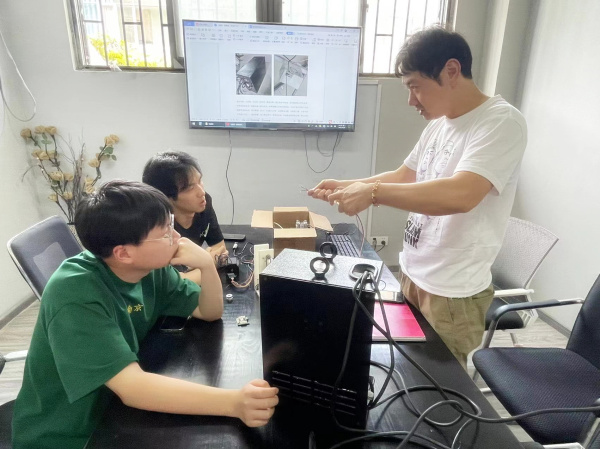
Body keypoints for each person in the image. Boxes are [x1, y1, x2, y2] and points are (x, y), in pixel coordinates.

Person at [308, 27, 527, 370]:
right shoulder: (439, 125)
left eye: (415, 86)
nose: (411, 100)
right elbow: (403, 176)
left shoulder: (500, 122)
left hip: (452, 292)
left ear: (451, 71)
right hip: (413, 274)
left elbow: (463, 194)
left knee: (442, 388)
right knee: (407, 370)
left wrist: (371, 193)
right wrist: (349, 185)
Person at [11, 180, 279, 449]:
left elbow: (207, 311)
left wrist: (207, 266)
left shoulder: (150, 268)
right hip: (71, 433)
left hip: (116, 412)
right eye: (165, 233)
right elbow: (133, 388)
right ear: (124, 253)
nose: (177, 237)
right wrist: (233, 403)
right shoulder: (74, 293)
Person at [142, 151, 228, 275]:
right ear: (166, 197)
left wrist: (203, 264)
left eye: (200, 181)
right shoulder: (156, 226)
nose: (201, 192)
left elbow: (221, 251)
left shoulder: (204, 203)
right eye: (190, 188)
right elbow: (173, 283)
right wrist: (208, 262)